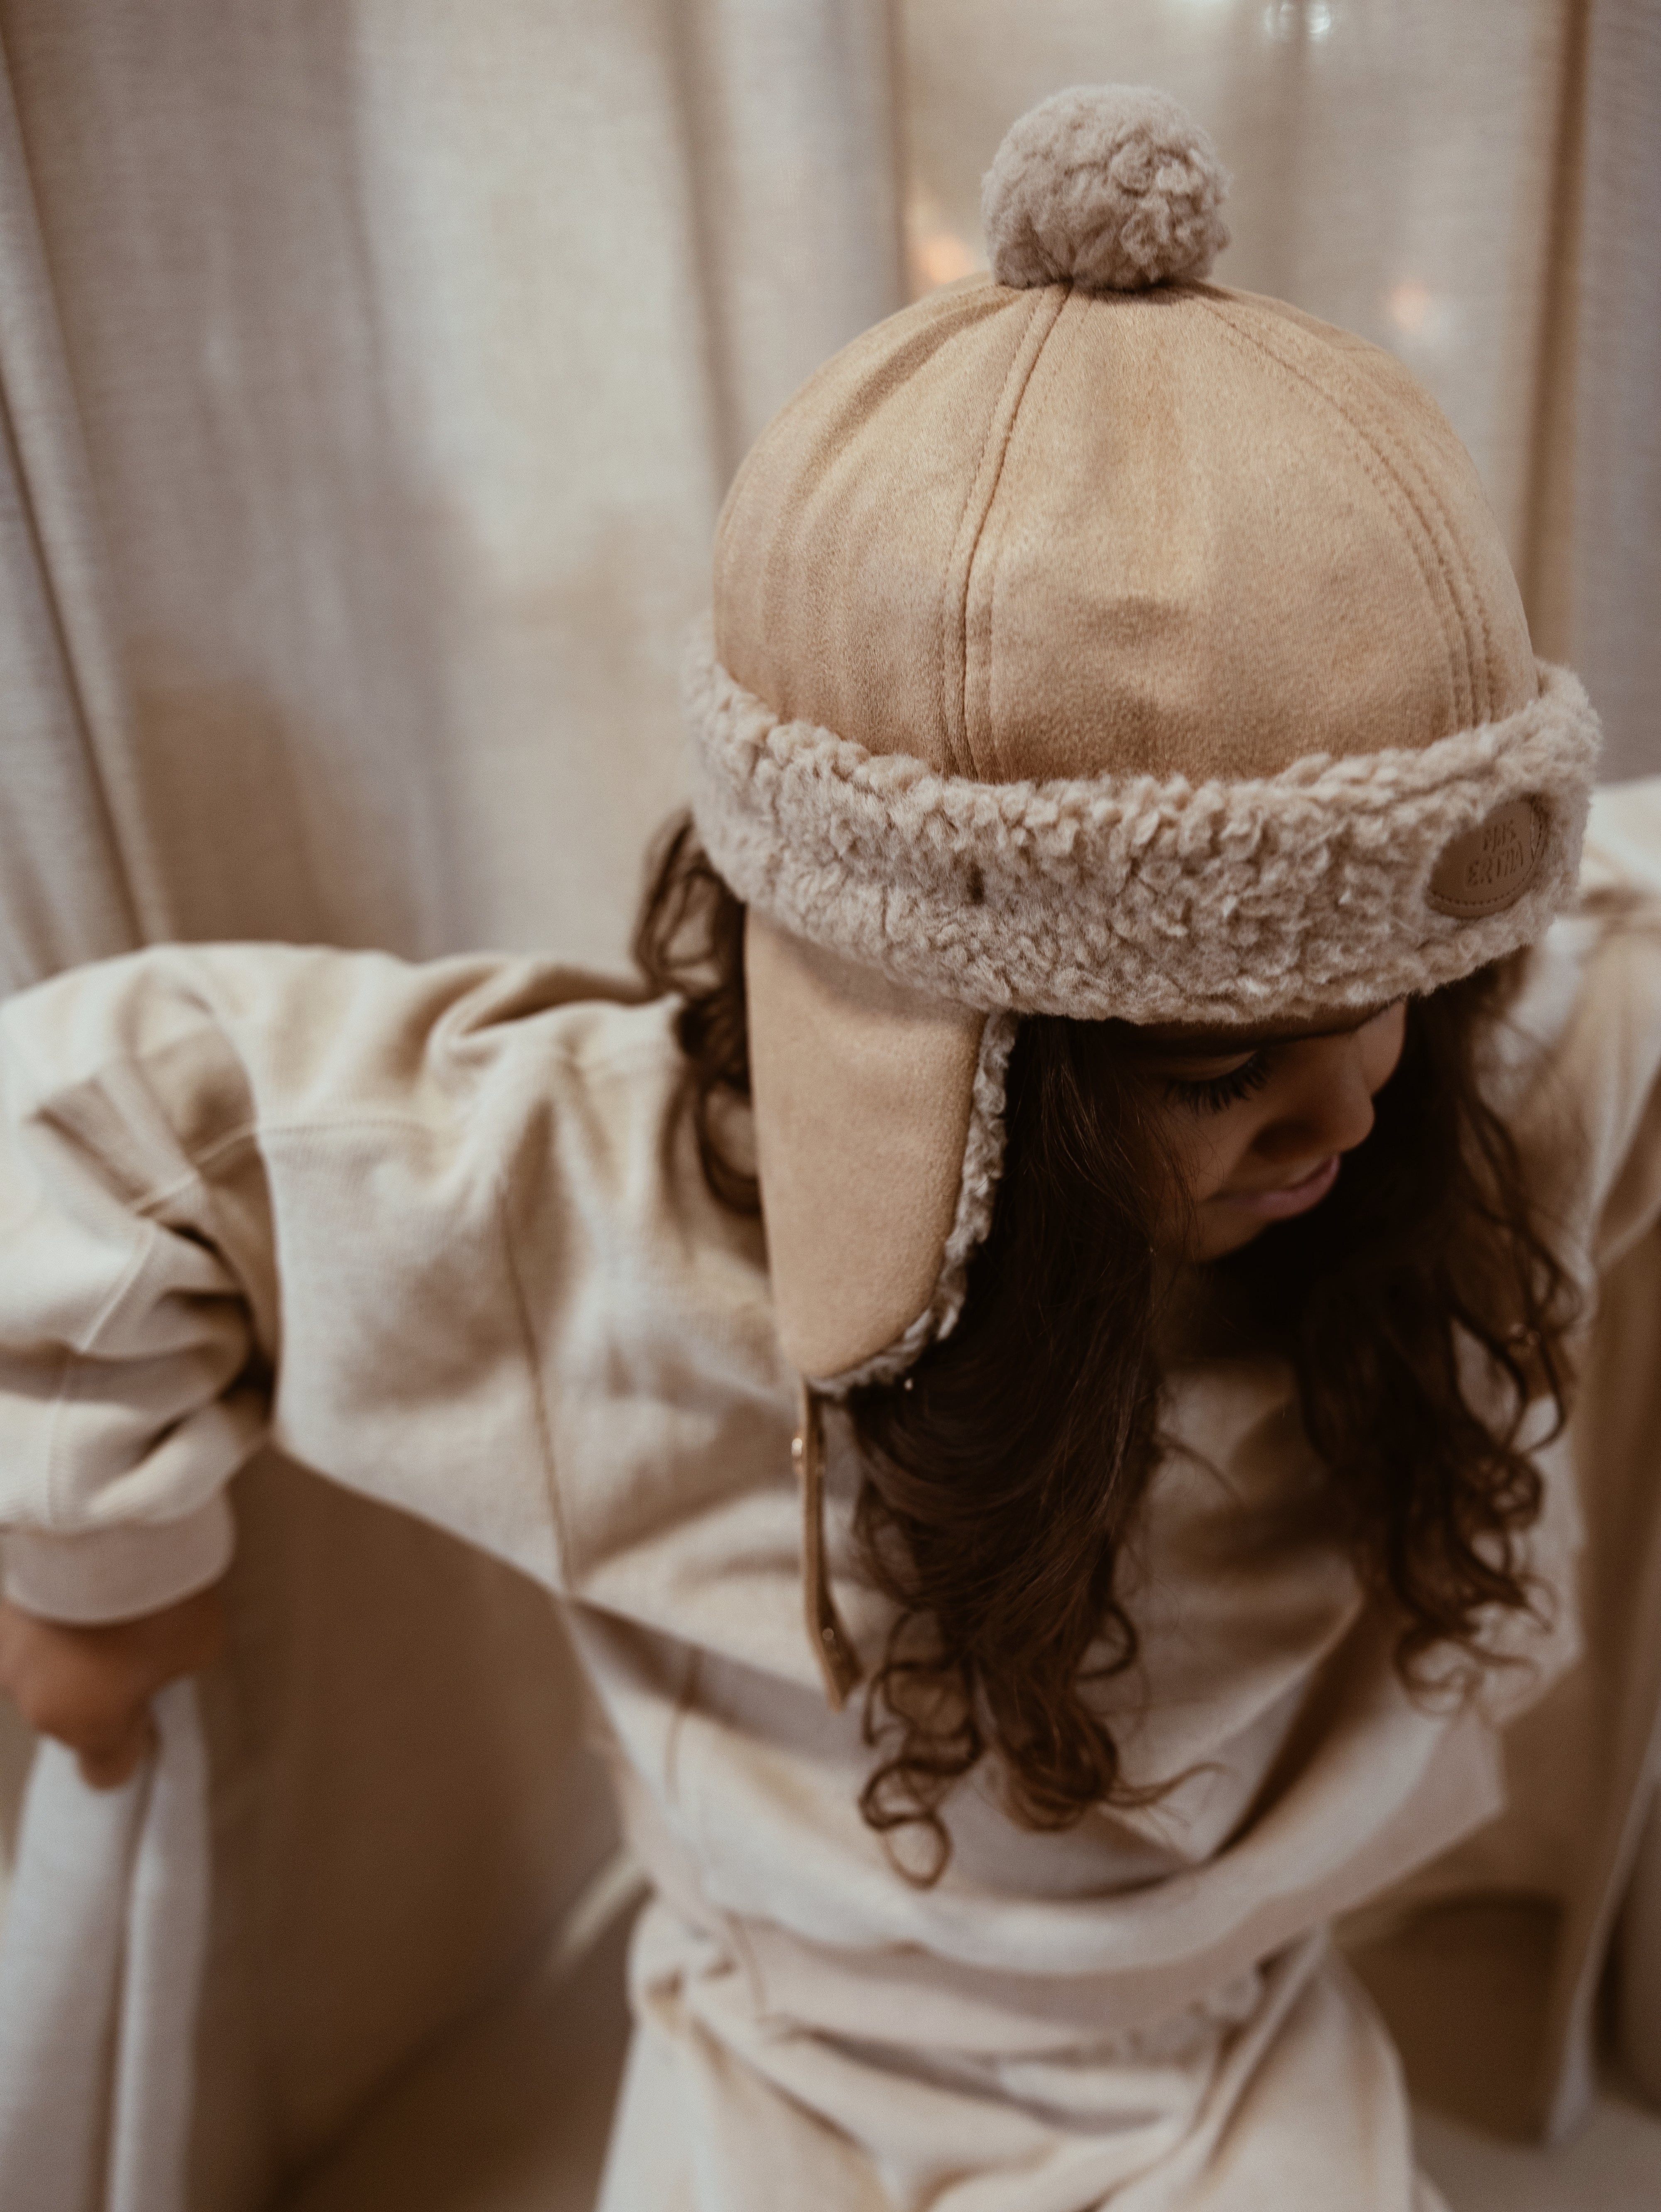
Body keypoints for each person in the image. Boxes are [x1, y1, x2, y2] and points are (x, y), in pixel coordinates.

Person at [0, 82, 1653, 2210]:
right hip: (793, 2067)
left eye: (1399, 1008)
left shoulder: (1461, 1113)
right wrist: (100, 1579)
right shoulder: (615, 1218)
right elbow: (105, 1122)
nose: (1350, 1110)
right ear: (963, 1063)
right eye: (1216, 1066)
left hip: (1223, 2071)